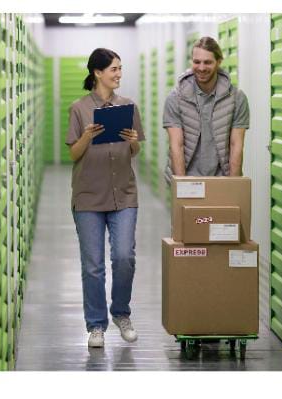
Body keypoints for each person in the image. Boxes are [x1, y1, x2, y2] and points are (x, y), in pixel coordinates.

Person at [66, 48, 145, 348]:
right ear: (97, 73)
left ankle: (121, 314)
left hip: (124, 193)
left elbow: (135, 151)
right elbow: (73, 153)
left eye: (120, 69)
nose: (118, 74)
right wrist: (87, 136)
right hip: (88, 195)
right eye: (114, 69)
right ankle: (96, 325)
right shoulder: (79, 108)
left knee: (124, 257)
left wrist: (133, 142)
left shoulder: (128, 106)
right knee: (93, 265)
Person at [163, 36, 250, 182]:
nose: (201, 68)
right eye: (197, 62)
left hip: (222, 179)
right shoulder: (175, 98)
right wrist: (182, 186)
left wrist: (234, 185)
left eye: (208, 62)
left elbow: (236, 145)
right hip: (187, 176)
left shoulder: (236, 98)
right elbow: (176, 145)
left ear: (219, 62)